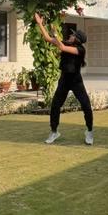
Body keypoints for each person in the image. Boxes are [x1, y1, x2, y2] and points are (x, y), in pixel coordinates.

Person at [34, 13, 93, 145]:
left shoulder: (80, 50)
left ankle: (89, 131)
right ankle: (54, 131)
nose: (70, 35)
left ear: (76, 39)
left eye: (73, 35)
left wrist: (56, 35)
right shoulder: (65, 43)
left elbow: (61, 47)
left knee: (86, 106)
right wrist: (40, 24)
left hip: (76, 81)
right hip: (64, 80)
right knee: (55, 106)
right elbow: (48, 38)